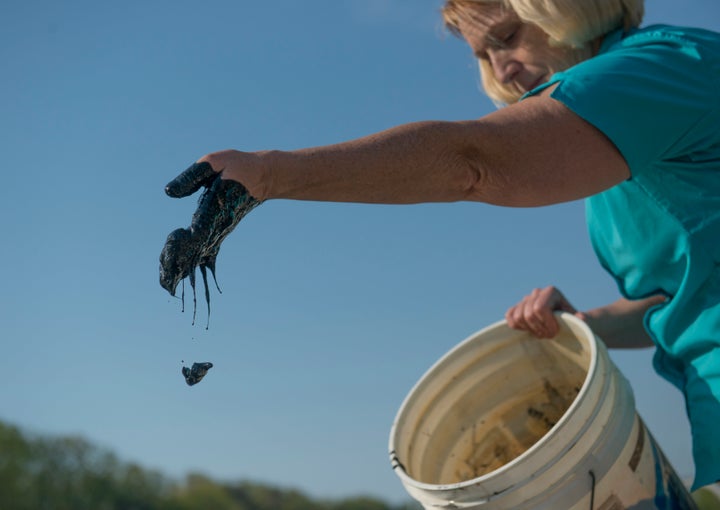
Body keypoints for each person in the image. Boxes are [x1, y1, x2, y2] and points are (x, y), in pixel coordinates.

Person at [169, 0, 720, 492]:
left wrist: (268, 175)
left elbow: (476, 163)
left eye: (507, 37)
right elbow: (682, 303)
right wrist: (583, 328)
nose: (501, 69)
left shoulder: (661, 68)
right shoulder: (622, 144)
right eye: (484, 55)